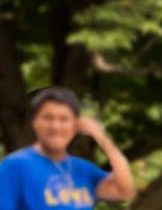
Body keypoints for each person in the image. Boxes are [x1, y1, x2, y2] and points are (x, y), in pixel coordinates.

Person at [0, 87, 136, 209]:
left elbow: (125, 191)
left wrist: (101, 137)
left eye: (64, 119)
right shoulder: (15, 165)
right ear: (35, 122)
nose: (56, 126)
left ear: (76, 125)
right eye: (48, 118)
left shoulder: (83, 169)